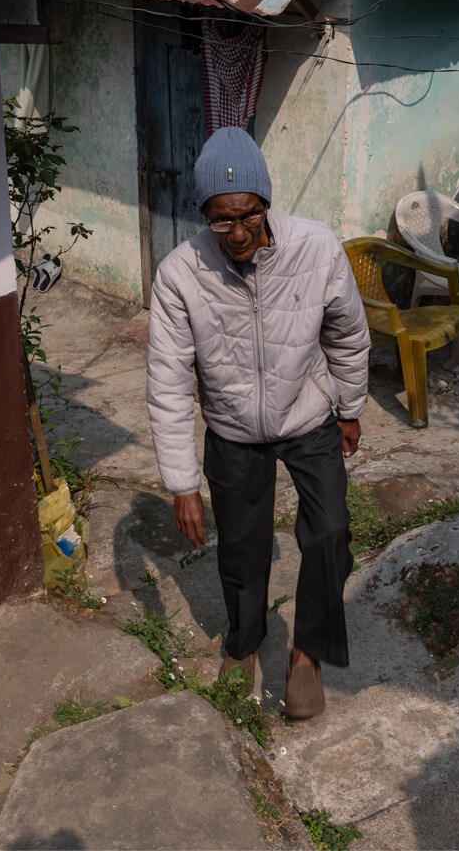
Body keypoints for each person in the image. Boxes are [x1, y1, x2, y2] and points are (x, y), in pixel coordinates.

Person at [146, 126, 369, 721]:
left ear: (266, 202)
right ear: (204, 215)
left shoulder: (318, 248)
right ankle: (243, 645)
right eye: (222, 221)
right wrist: (182, 483)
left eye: (248, 215)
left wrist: (349, 406)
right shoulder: (179, 274)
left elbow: (347, 334)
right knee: (242, 550)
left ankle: (307, 653)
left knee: (329, 533)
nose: (238, 233)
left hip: (307, 412)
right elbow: (167, 382)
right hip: (234, 429)